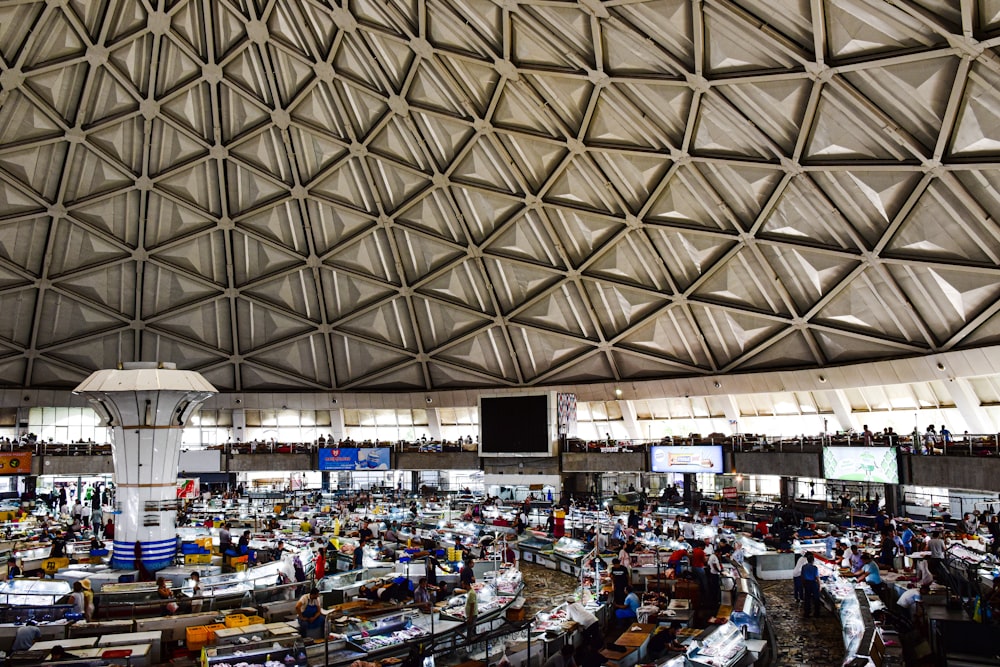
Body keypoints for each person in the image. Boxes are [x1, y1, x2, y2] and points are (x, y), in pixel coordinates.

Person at [801, 553, 821, 617]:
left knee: (807, 598)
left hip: (807, 583)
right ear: (813, 560)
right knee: (816, 598)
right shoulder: (815, 568)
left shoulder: (804, 567)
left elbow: (802, 576)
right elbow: (817, 577)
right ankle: (816, 613)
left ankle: (807, 612)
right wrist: (820, 585)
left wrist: (803, 583)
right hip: (813, 583)